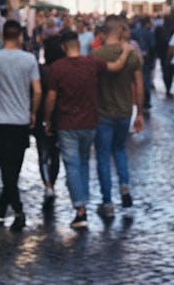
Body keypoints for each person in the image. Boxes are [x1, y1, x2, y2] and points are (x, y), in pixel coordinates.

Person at [43, 31, 134, 229]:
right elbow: (116, 67)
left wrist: (47, 119)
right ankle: (82, 201)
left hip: (67, 124)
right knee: (83, 162)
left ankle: (80, 209)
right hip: (90, 123)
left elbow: (51, 97)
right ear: (77, 44)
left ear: (63, 47)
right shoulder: (91, 63)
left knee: (73, 165)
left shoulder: (58, 68)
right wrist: (126, 52)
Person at [0, 19, 41, 232]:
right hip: (20, 122)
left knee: (7, 170)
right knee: (12, 169)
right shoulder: (29, 60)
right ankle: (13, 208)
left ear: (3, 36)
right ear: (20, 37)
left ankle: (9, 208)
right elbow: (38, 90)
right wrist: (33, 112)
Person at [92, 15, 144, 219]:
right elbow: (139, 86)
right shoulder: (131, 55)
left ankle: (107, 202)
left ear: (104, 34)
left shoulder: (96, 54)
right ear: (120, 31)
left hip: (102, 112)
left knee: (103, 156)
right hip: (124, 112)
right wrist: (139, 112)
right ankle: (124, 185)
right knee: (120, 150)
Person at [35, 33, 65, 213]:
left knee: (43, 153)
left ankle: (47, 185)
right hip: (60, 114)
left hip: (41, 115)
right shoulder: (62, 69)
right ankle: (51, 183)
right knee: (55, 153)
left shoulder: (41, 70)